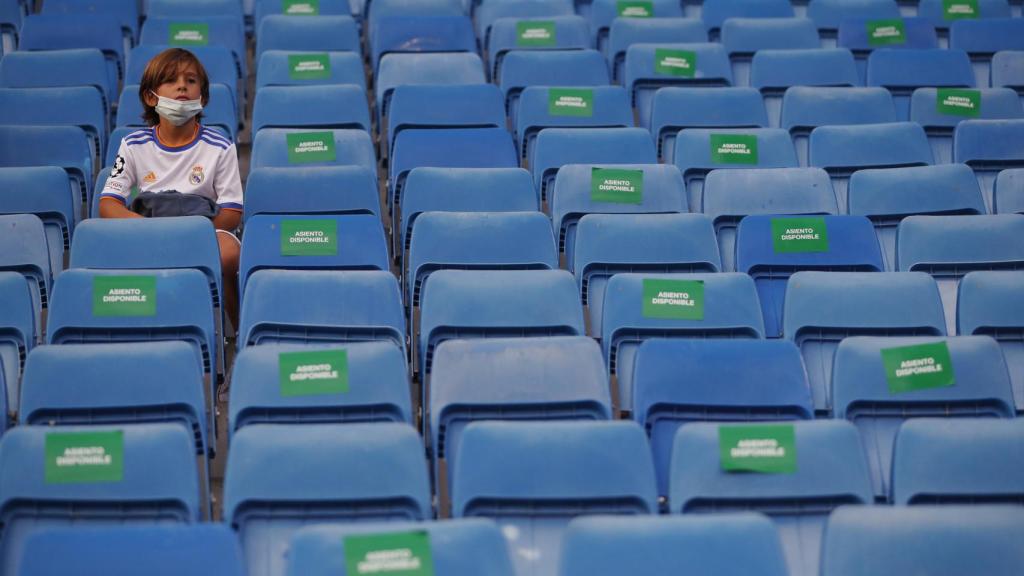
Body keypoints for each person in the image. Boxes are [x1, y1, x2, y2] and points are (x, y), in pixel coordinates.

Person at [99, 48, 242, 330]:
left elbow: (232, 212)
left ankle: (236, 331)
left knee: (228, 252)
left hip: (201, 230)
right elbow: (108, 204)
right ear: (150, 97)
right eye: (171, 80)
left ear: (202, 97)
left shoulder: (221, 146)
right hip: (147, 230)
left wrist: (192, 234)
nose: (182, 86)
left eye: (191, 80)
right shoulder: (132, 144)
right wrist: (145, 228)